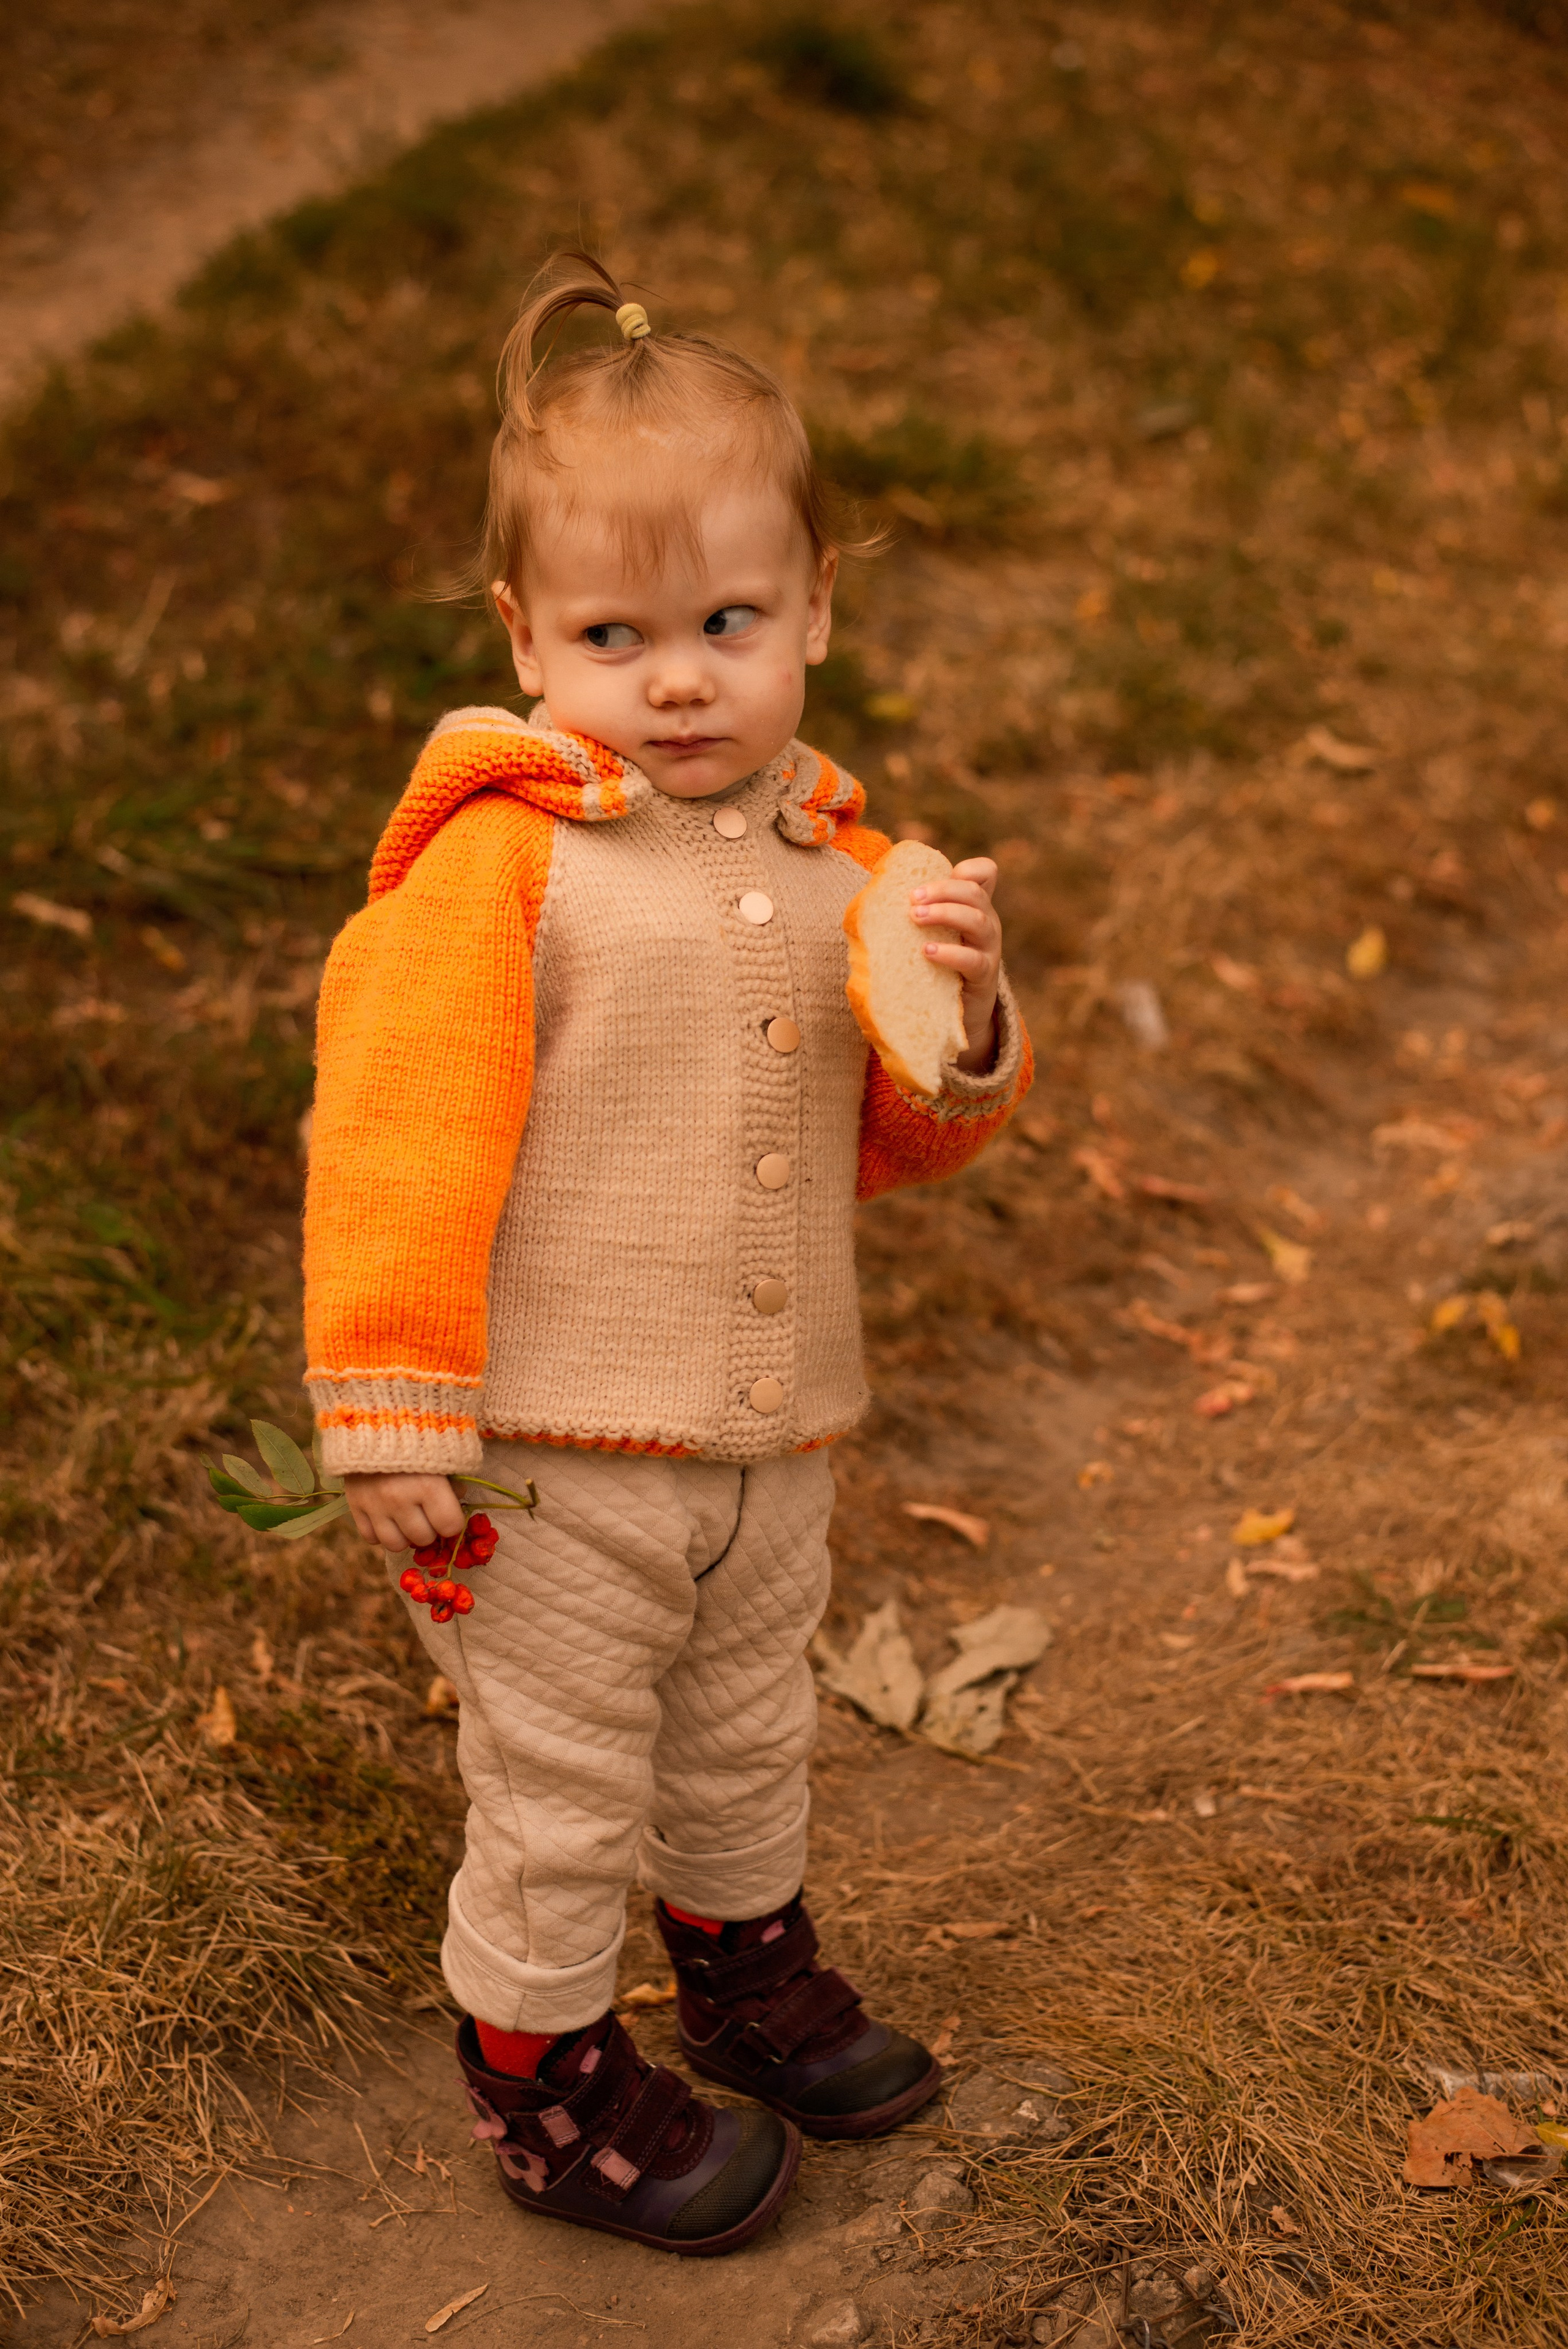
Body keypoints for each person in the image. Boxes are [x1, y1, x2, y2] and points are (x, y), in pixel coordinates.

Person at [302, 251, 1033, 2255]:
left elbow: (901, 1140)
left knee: (741, 1729)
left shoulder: (848, 869)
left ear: (816, 610)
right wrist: (391, 1404)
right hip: (548, 1465)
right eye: (615, 636)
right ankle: (541, 2075)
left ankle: (743, 1970)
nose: (683, 678)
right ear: (523, 635)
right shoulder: (503, 866)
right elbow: (397, 1135)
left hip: (769, 1449)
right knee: (559, 1783)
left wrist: (965, 1010)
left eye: (728, 622)